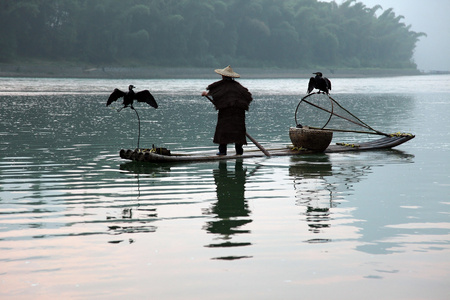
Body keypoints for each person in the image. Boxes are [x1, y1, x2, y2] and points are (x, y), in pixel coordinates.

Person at [202, 66, 253, 155]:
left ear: (222, 76)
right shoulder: (238, 86)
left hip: (226, 112)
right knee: (238, 131)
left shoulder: (220, 85)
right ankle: (239, 151)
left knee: (223, 130)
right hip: (239, 113)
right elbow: (248, 97)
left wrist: (206, 94)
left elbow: (215, 93)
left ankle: (222, 151)